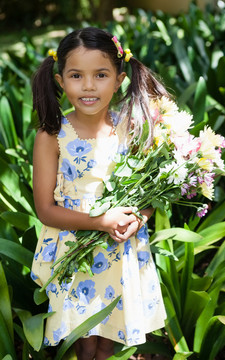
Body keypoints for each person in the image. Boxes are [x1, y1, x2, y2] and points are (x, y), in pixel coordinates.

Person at [31, 27, 168, 360]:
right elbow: (45, 210)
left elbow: (148, 194)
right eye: (77, 75)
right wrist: (101, 220)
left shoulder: (133, 128)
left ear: (119, 80)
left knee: (109, 338)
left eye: (101, 75)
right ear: (61, 81)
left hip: (121, 252)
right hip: (74, 252)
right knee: (83, 339)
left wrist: (138, 218)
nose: (89, 86)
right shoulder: (52, 135)